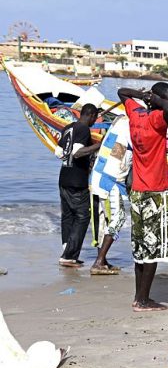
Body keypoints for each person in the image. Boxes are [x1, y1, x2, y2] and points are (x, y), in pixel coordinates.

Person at [118, 83, 168, 312]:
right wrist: (156, 99)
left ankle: (138, 297)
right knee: (152, 250)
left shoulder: (136, 114)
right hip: (156, 191)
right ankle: (143, 301)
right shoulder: (156, 119)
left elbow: (122, 92)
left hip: (138, 190)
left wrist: (143, 96)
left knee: (141, 248)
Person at [55, 104, 101, 267]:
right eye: (96, 117)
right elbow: (77, 152)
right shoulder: (83, 129)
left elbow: (59, 152)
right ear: (91, 114)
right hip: (76, 181)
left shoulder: (68, 127)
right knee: (83, 216)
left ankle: (67, 251)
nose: (95, 121)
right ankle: (69, 256)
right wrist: (99, 145)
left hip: (64, 178)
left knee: (68, 216)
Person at [89, 118, 133, 275]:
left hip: (98, 176)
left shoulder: (119, 121)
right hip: (110, 181)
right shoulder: (132, 126)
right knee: (117, 218)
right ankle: (99, 261)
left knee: (103, 221)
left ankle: (102, 259)